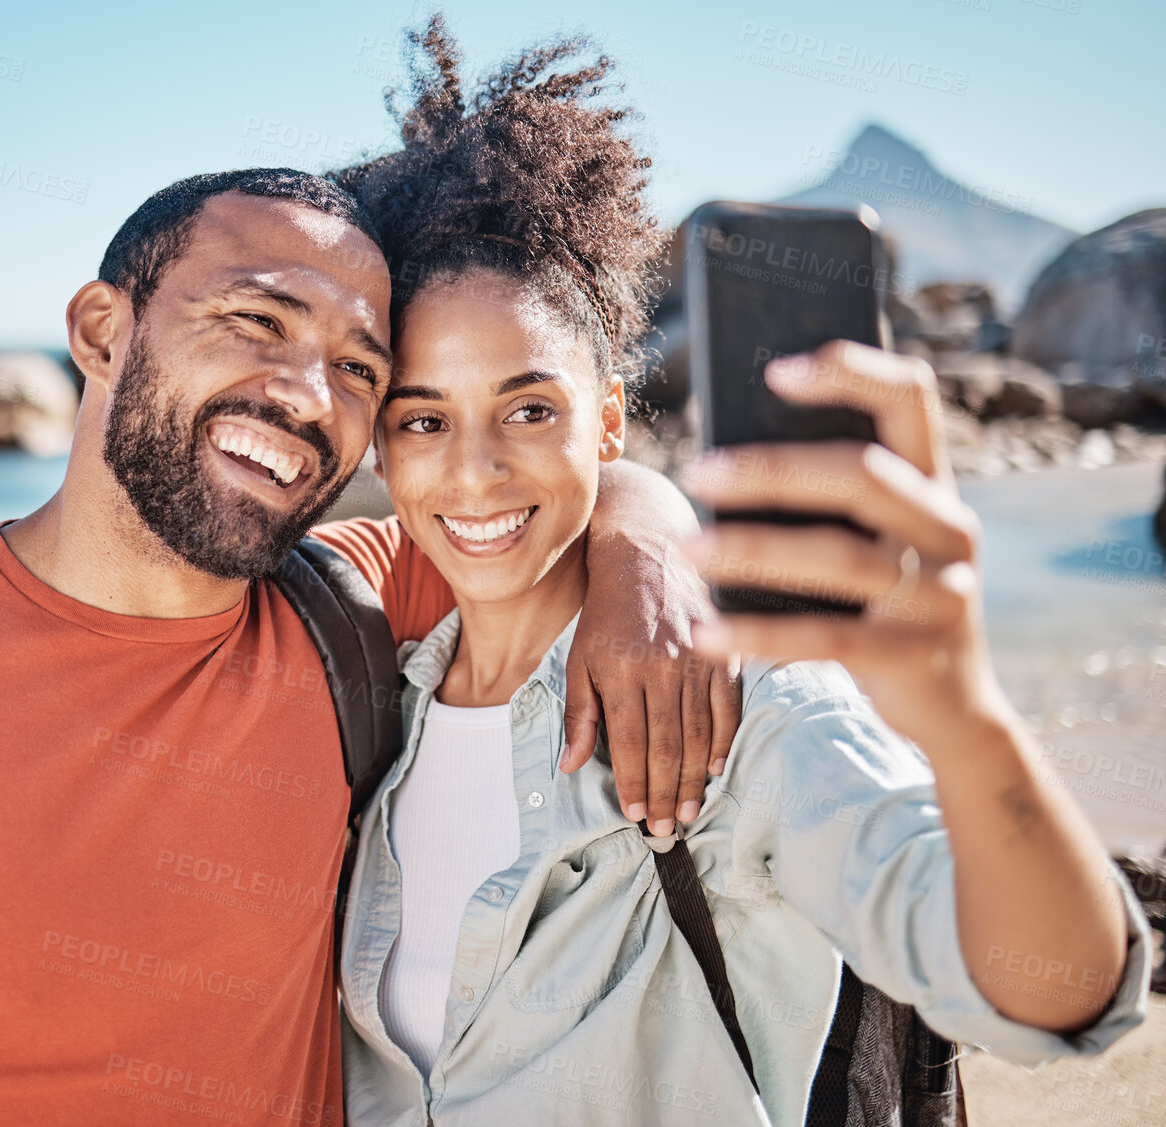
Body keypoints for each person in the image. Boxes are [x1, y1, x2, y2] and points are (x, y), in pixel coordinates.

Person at [0, 166, 737, 1123]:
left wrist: (649, 561)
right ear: (103, 331)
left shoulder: (350, 607)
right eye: (257, 321)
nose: (309, 396)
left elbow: (566, 482)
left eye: (360, 368)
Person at [316, 21, 1148, 1126]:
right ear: (380, 446)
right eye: (424, 419)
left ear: (608, 418)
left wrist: (962, 712)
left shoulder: (737, 709)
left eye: (529, 407)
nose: (473, 471)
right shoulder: (379, 714)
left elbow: (1053, 992)